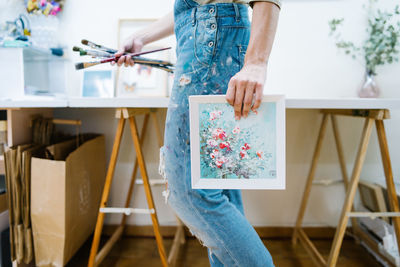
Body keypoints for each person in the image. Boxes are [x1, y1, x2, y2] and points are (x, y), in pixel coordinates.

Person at [115, 0, 281, 265]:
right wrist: (141, 37)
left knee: (190, 190)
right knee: (217, 190)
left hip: (212, 38)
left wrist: (257, 62)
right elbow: (189, 5)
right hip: (207, 37)